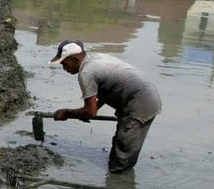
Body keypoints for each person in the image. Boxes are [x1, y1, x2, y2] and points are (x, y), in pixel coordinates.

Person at [49, 40, 161, 173]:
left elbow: (90, 112)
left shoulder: (86, 73)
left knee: (122, 156)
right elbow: (106, 90)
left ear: (75, 59)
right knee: (121, 143)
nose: (64, 69)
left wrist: (66, 113)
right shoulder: (96, 59)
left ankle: (119, 182)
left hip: (140, 105)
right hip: (144, 97)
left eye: (64, 64)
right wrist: (90, 110)